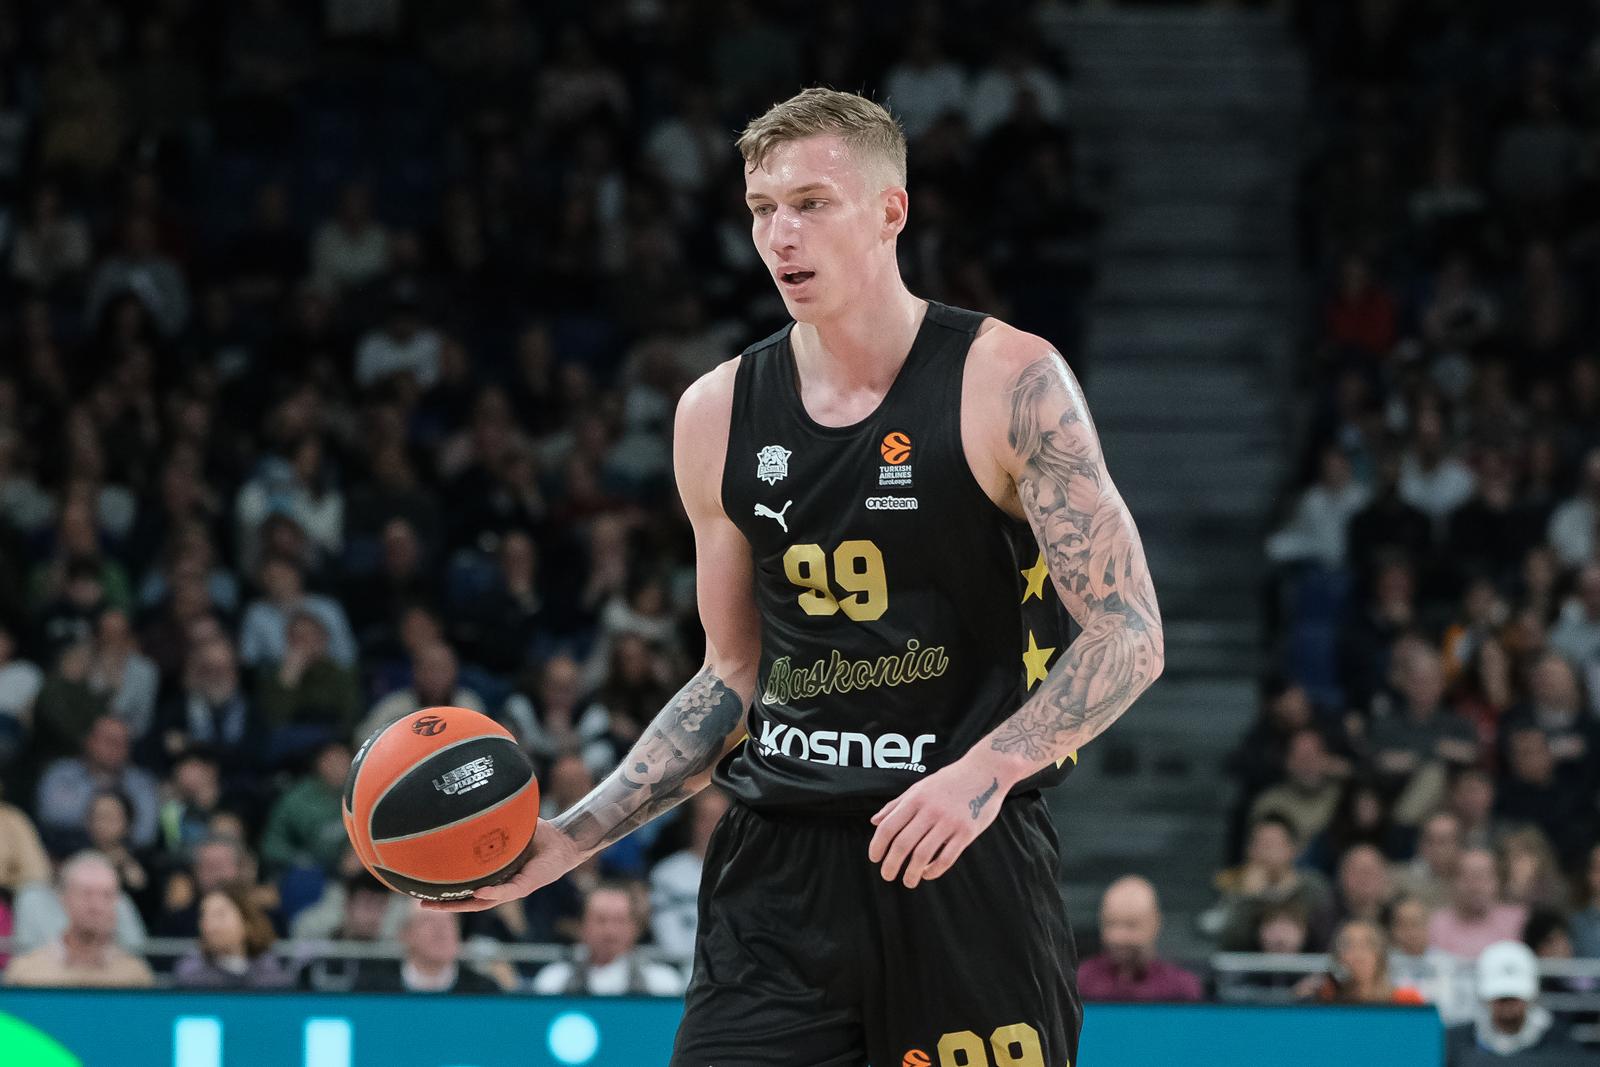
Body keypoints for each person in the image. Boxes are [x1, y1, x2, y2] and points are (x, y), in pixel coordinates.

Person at [428, 88, 1164, 1067]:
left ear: (890, 211)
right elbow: (729, 673)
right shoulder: (716, 411)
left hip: (960, 853)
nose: (781, 234)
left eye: (812, 203)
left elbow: (1128, 632)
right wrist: (573, 833)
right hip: (780, 872)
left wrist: (985, 770)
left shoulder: (1008, 381)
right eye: (762, 208)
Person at [3, 851, 154, 987]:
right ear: (64, 898)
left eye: (107, 895)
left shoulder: (135, 976)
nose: (97, 906)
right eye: (86, 894)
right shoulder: (26, 973)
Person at [531, 882, 686, 996]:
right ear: (582, 925)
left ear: (635, 927)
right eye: (601, 920)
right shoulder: (553, 981)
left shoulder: (662, 984)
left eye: (619, 921)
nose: (609, 931)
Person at [1444, 940, 1578, 1062]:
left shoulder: (1560, 1042)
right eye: (1501, 997)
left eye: (1515, 997)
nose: (1508, 1004)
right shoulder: (1456, 1042)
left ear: (1532, 995)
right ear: (1484, 997)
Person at [1077, 875, 1203, 1002]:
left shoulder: (1180, 989)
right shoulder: (1081, 981)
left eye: (1131, 925)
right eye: (1110, 924)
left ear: (1155, 923)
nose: (1117, 937)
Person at [649, 788, 729, 963]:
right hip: (682, 966)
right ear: (692, 822)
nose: (712, 825)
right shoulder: (666, 874)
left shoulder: (748, 872)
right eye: (705, 818)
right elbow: (668, 936)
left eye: (719, 818)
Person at [354, 901, 500, 993]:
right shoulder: (373, 989)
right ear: (405, 933)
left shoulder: (483, 991)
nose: (441, 929)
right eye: (428, 921)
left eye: (449, 921)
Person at [172, 885, 294, 989]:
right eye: (204, 916)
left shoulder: (273, 977)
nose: (209, 925)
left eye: (220, 915)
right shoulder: (192, 978)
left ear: (247, 922)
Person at [1297, 918, 1424, 1005]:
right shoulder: (1324, 997)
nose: (1357, 954)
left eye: (1367, 945)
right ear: (1337, 957)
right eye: (1348, 945)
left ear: (1381, 956)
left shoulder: (1406, 1001)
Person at [1430, 848, 1527, 960]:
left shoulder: (1519, 921)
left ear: (1498, 881)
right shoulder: (1438, 924)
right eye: (1467, 877)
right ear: (1453, 882)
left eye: (1482, 876)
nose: (1475, 886)